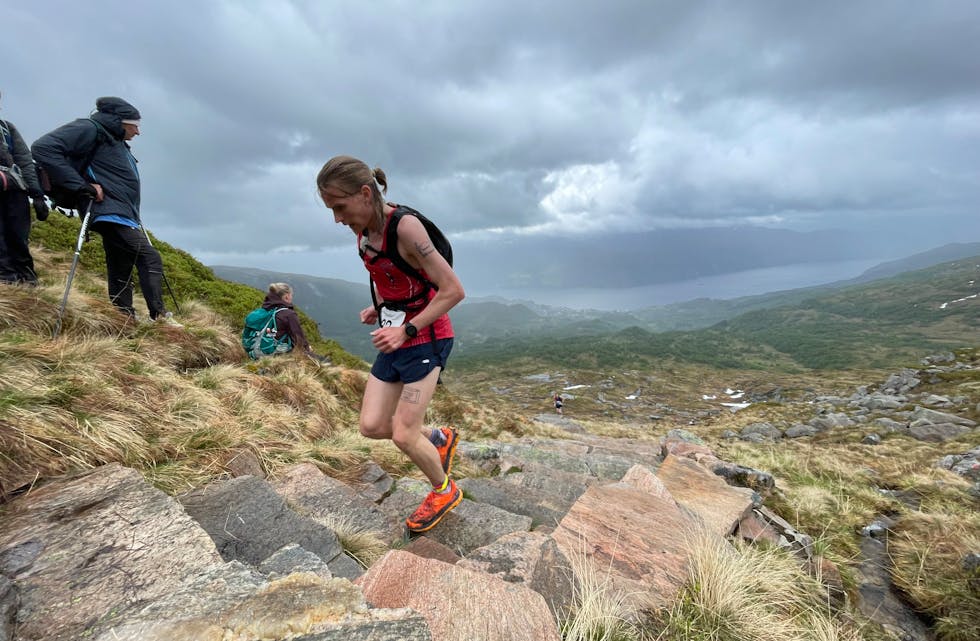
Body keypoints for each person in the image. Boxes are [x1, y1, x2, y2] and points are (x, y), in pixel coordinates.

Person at [316, 155, 465, 534]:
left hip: (426, 337)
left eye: (340, 207)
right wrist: (380, 306)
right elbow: (393, 278)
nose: (337, 219)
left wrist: (407, 330)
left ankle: (444, 490)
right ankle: (439, 437)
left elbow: (452, 291)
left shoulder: (407, 229)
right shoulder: (364, 229)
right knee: (371, 425)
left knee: (402, 432)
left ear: (365, 193)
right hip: (395, 332)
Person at [32, 97, 180, 326]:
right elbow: (43, 148)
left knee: (121, 264)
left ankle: (124, 317)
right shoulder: (90, 129)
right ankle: (159, 317)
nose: (138, 131)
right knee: (149, 257)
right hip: (107, 210)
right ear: (120, 121)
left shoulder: (114, 140)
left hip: (122, 212)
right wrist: (82, 186)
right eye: (134, 125)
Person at [0, 90, 49, 285]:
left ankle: (27, 280)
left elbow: (25, 161)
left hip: (15, 189)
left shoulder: (6, 128)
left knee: (19, 237)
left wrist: (37, 195)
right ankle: (6, 281)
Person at [257, 282, 327, 361]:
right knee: (325, 361)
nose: (291, 297)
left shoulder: (262, 311)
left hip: (255, 351)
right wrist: (308, 349)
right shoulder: (288, 314)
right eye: (291, 295)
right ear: (286, 296)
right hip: (274, 354)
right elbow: (298, 338)